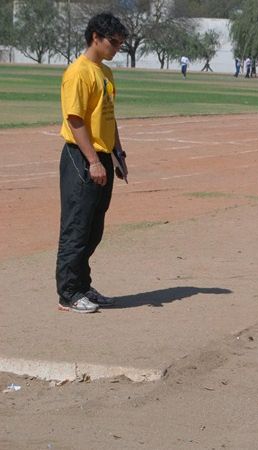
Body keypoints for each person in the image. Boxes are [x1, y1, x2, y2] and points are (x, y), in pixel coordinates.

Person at [56, 12, 129, 313]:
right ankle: (68, 294)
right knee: (77, 226)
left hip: (101, 156)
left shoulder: (105, 72)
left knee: (93, 228)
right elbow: (75, 120)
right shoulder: (78, 72)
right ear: (95, 37)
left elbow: (109, 117)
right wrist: (93, 161)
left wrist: (118, 154)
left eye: (120, 44)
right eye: (113, 42)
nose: (117, 48)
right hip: (82, 157)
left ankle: (83, 286)